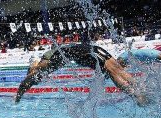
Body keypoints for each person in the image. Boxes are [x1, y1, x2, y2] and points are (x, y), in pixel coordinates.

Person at [14, 44, 147, 104]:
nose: (39, 79)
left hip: (87, 52)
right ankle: (142, 89)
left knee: (113, 72)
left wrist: (18, 97)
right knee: (117, 70)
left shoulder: (45, 64)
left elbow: (26, 82)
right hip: (92, 49)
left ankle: (137, 96)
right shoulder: (55, 57)